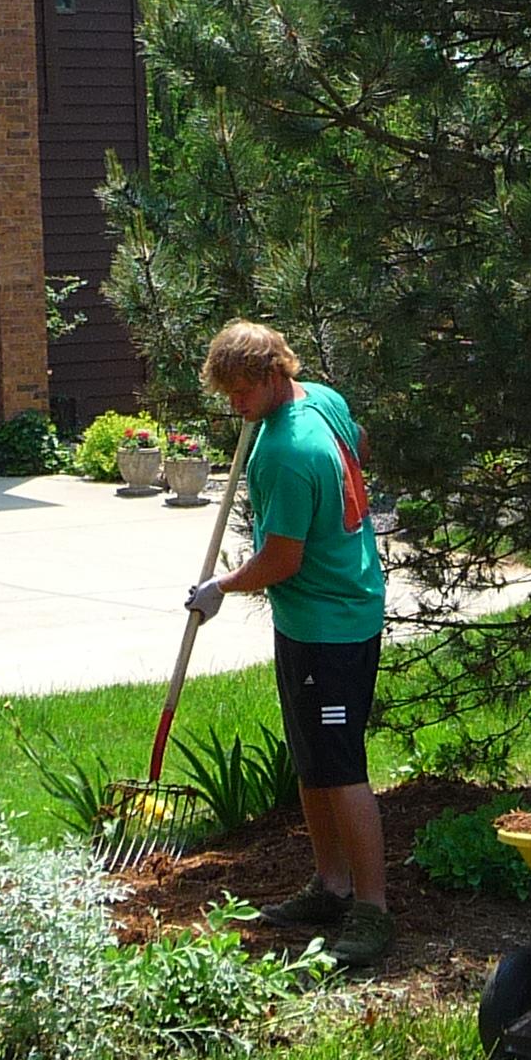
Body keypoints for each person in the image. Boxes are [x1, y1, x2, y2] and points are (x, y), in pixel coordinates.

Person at [182, 320, 394, 962]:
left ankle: (372, 911)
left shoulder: (283, 452)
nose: (235, 406)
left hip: (332, 626)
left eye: (242, 392)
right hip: (324, 614)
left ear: (274, 375)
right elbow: (358, 442)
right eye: (227, 394)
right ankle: (330, 885)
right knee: (312, 760)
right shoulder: (322, 400)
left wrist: (221, 586)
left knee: (341, 767)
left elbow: (282, 560)